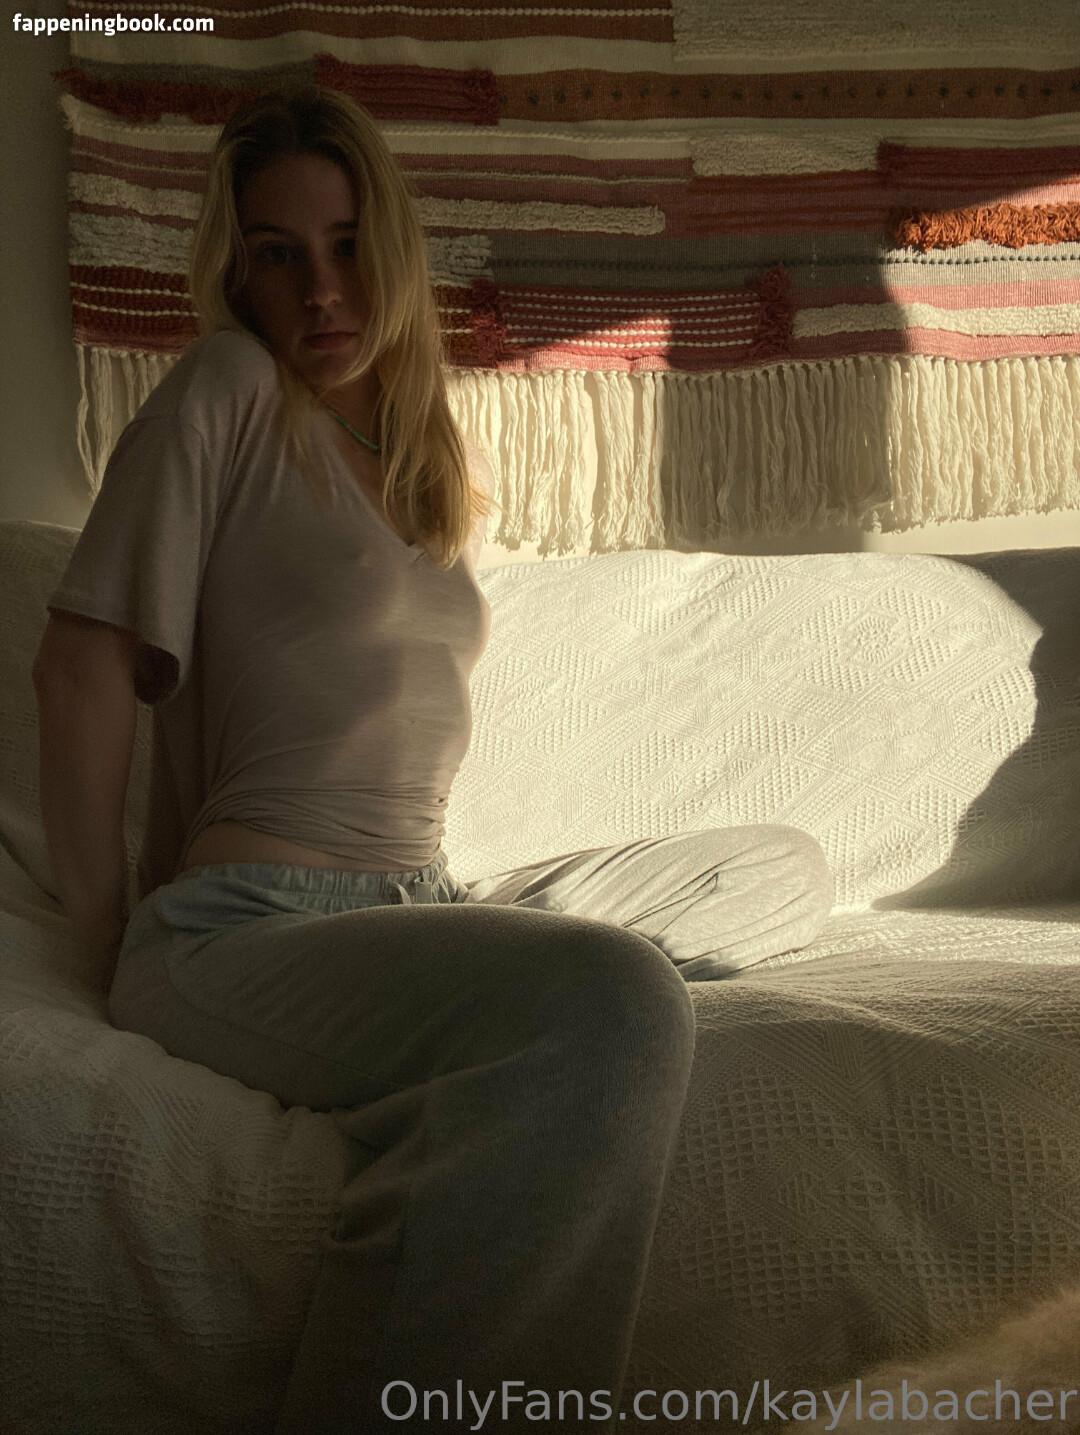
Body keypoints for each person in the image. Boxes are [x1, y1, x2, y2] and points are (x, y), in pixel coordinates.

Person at [34, 84, 834, 1435]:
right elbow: (79, 668)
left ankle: (512, 1007)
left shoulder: (417, 463)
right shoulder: (228, 389)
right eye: (280, 254)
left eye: (350, 245)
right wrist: (104, 945)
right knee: (615, 1005)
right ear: (238, 272)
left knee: (779, 870)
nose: (322, 289)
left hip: (420, 898)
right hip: (243, 926)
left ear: (395, 251)